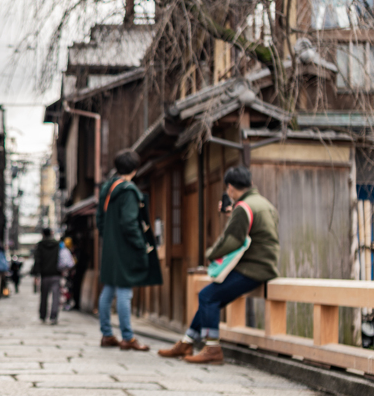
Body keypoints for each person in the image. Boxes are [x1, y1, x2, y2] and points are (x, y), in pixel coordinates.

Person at [159, 165, 280, 364]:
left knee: (207, 296)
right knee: (211, 299)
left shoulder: (243, 208)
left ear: (230, 188)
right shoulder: (264, 204)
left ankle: (212, 348)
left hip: (252, 268)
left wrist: (210, 254)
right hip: (266, 265)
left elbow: (231, 240)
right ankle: (187, 341)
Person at [97, 149, 162, 350]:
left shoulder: (107, 189)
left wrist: (109, 239)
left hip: (109, 247)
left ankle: (107, 334)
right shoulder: (129, 191)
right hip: (125, 248)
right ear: (134, 170)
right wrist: (140, 245)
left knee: (108, 290)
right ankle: (127, 337)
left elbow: (99, 221)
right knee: (125, 291)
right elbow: (129, 222)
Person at [33, 227, 62, 324]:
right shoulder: (57, 244)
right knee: (55, 297)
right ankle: (53, 317)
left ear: (43, 234)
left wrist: (36, 274)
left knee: (44, 296)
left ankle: (43, 315)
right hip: (56, 274)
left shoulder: (40, 245)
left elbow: (37, 260)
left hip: (44, 275)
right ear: (51, 233)